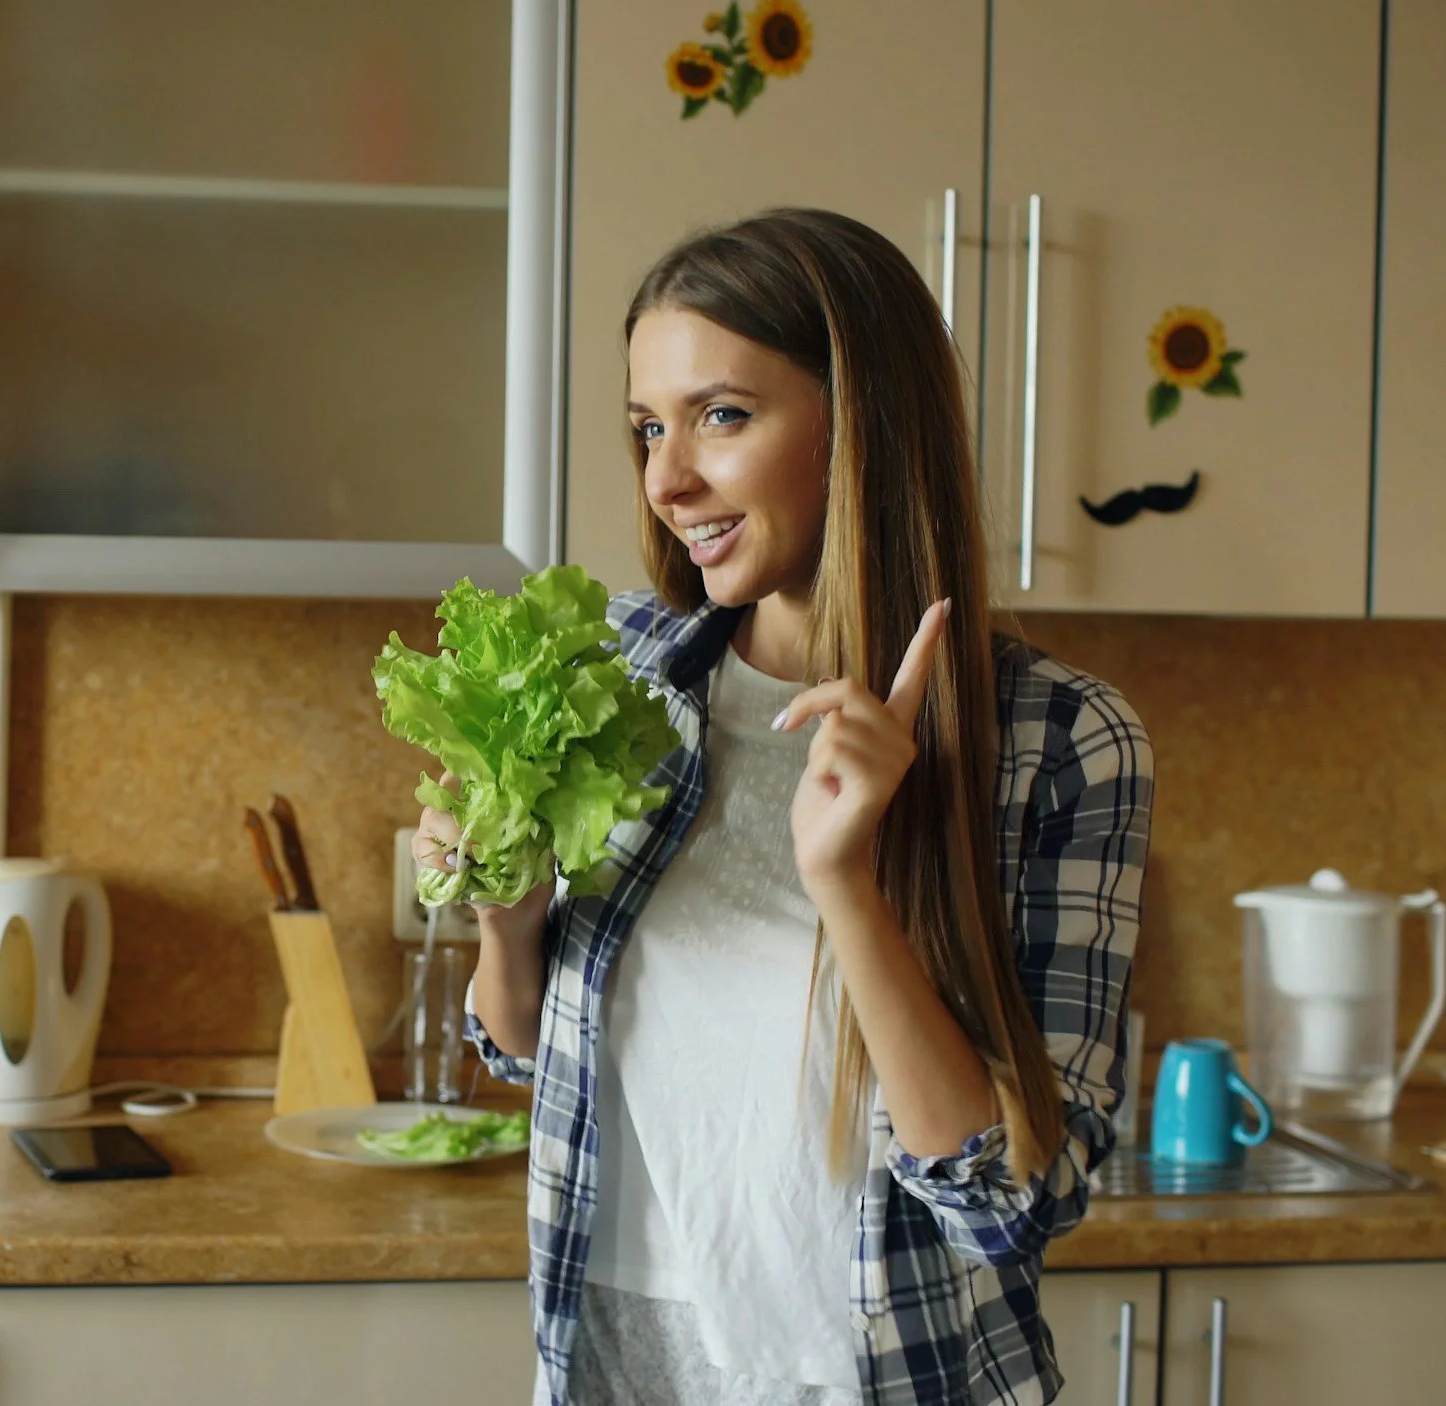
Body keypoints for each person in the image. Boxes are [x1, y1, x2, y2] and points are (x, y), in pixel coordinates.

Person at [413, 209, 1153, 1406]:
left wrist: (845, 884)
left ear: (861, 424)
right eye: (648, 426)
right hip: (613, 1368)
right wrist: (507, 914)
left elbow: (1017, 1198)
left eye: (721, 415)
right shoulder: (616, 676)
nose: (666, 479)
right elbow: (524, 1052)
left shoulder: (1057, 741)